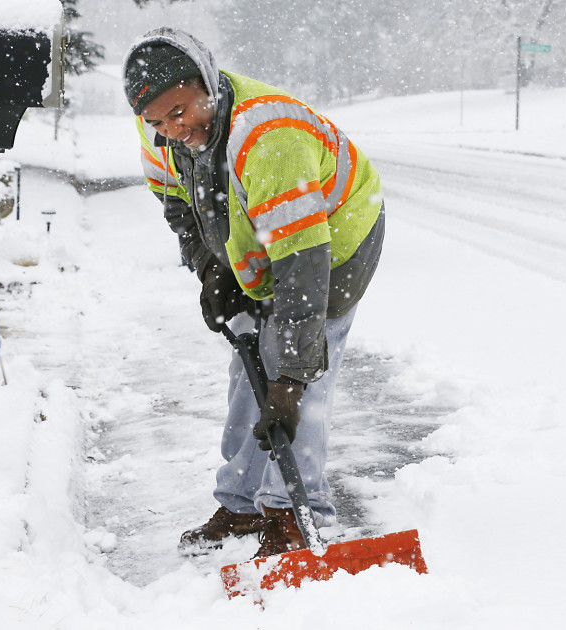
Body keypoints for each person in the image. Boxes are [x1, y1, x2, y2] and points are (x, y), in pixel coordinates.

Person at [123, 27, 385, 559]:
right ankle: (242, 504)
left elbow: (303, 270)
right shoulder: (159, 128)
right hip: (264, 236)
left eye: (182, 111)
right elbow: (180, 207)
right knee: (248, 368)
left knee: (300, 377)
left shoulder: (270, 136)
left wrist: (289, 380)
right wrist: (211, 269)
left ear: (209, 86)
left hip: (334, 241)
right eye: (158, 120)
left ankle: (297, 513)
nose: (174, 129)